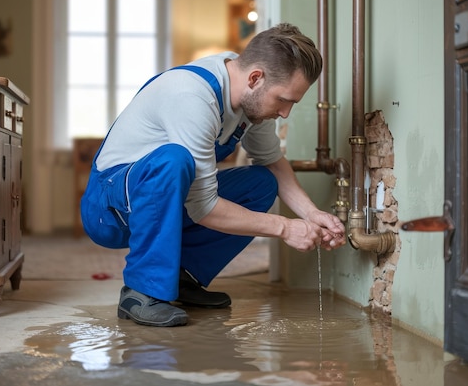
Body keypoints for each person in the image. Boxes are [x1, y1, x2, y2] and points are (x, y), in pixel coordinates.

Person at [81, 23, 347, 327]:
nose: (285, 113)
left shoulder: (251, 99)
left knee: (262, 183)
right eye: (283, 100)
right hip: (109, 210)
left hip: (163, 201)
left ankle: (181, 279)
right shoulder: (192, 97)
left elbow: (273, 161)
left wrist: (312, 214)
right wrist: (286, 228)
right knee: (173, 160)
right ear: (255, 78)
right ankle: (141, 292)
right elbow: (202, 207)